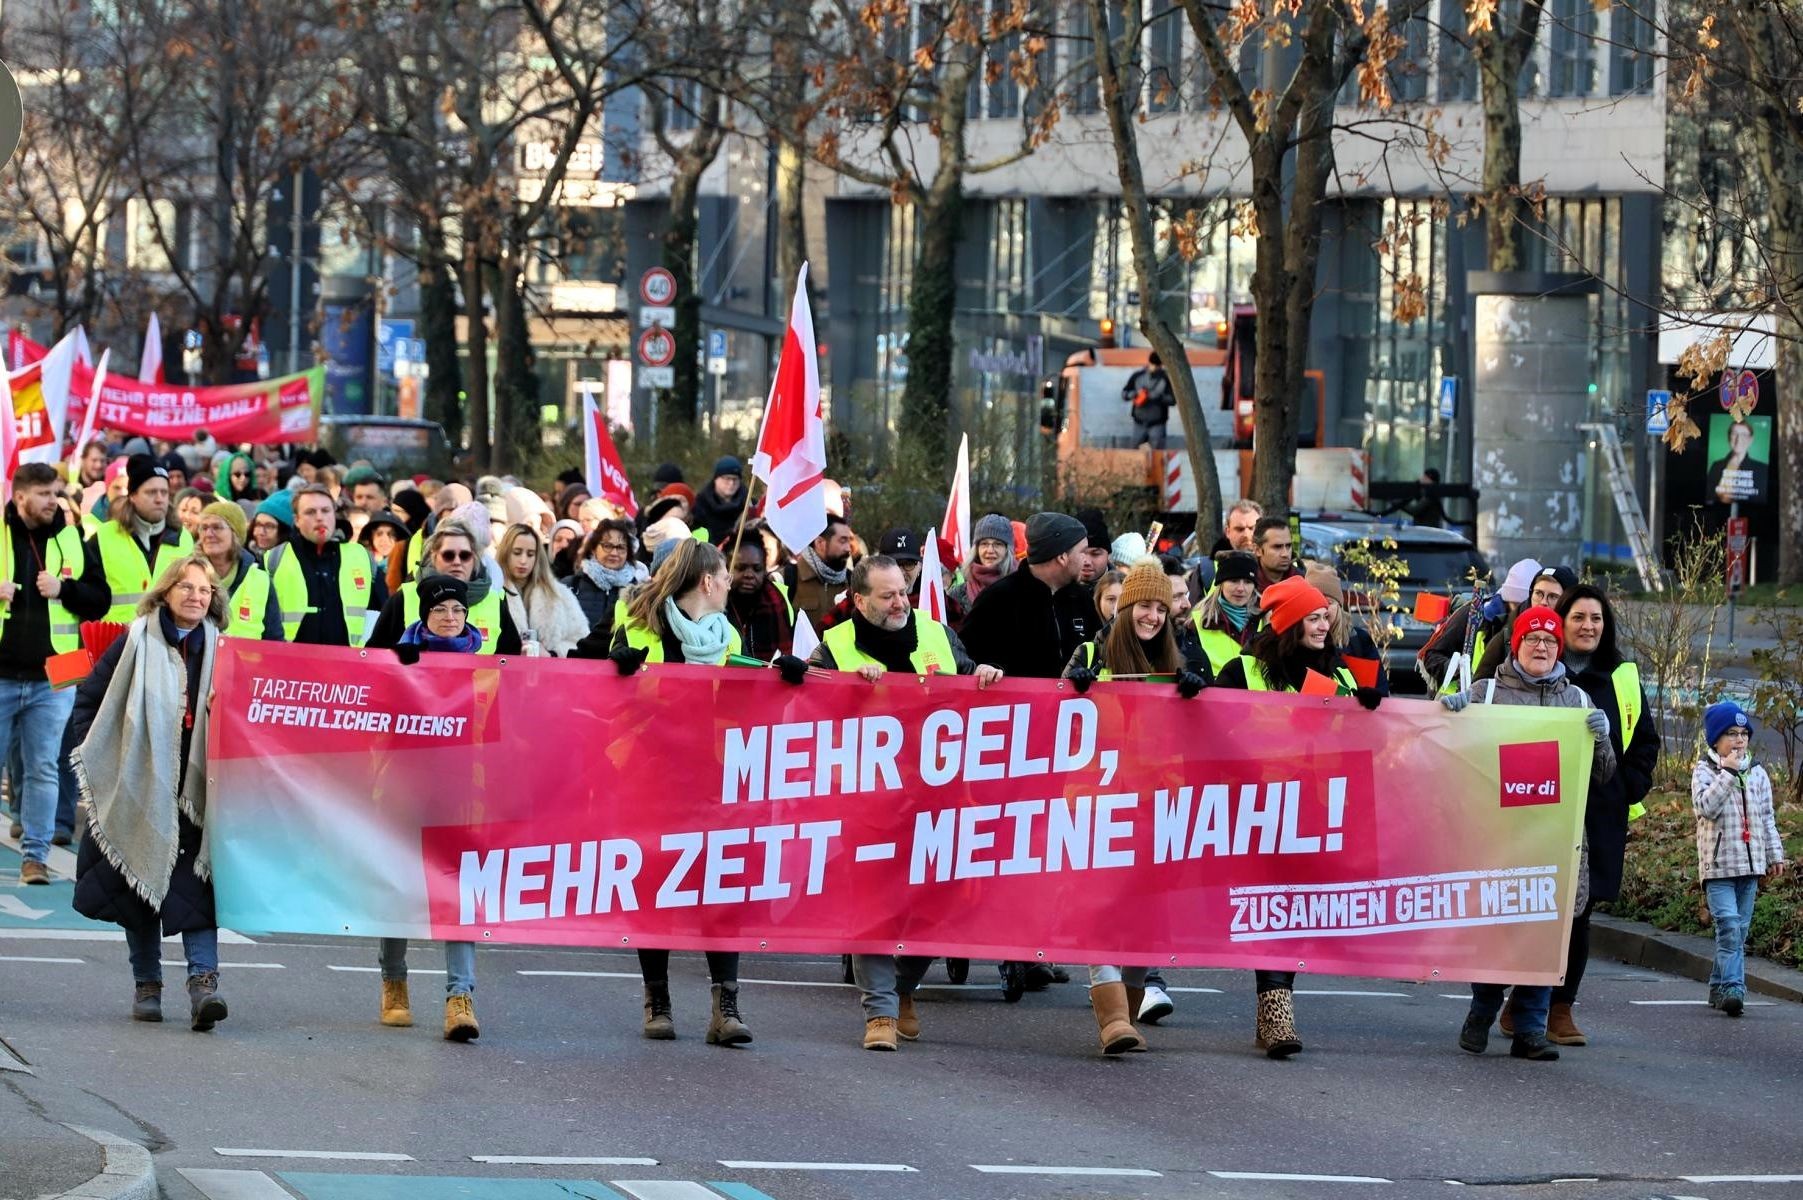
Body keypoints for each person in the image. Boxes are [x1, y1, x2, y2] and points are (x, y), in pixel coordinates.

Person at [805, 555, 1001, 1050]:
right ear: (859, 600)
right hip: (866, 799)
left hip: (936, 794)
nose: (900, 603)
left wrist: (986, 676)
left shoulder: (936, 633)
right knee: (874, 905)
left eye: (904, 591)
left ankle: (903, 987)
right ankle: (880, 1016)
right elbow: (803, 711)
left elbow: (968, 674)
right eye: (888, 595)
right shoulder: (834, 647)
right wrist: (845, 691)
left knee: (938, 903)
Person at [1213, 575, 1382, 1058]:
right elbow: (1209, 733)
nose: (1324, 623)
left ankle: (1275, 1010)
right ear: (1288, 624)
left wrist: (1372, 708)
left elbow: (1365, 744)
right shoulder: (1242, 671)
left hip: (1314, 813)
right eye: (1312, 616)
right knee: (1270, 905)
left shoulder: (1344, 675)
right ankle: (1275, 1010)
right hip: (1256, 811)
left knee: (1289, 907)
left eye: (1324, 615)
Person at [1443, 607, 1614, 1060]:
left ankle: (1531, 1029)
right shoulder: (1488, 692)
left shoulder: (1576, 701)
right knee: (1498, 932)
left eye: (1550, 641)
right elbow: (1442, 754)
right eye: (1533, 639)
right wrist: (1451, 712)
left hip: (1555, 844)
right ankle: (1483, 1006)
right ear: (1515, 644)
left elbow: (1602, 776)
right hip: (1498, 841)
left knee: (1546, 937)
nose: (1542, 647)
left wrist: (1602, 737)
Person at [68, 554, 230, 1031]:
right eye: (187, 587)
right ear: (165, 592)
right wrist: (110, 764)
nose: (196, 596)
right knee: (137, 880)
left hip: (199, 784)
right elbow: (92, 702)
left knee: (200, 885)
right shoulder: (135, 642)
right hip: (140, 777)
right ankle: (147, 985)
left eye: (205, 590)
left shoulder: (224, 649)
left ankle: (205, 985)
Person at [607, 539, 756, 1045]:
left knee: (722, 884)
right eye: (725, 574)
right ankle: (658, 1000)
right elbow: (605, 698)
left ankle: (726, 1007)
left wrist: (784, 680)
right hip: (653, 776)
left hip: (715, 777)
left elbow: (747, 701)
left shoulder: (729, 634)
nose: (732, 581)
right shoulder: (638, 627)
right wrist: (617, 671)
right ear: (707, 581)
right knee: (656, 883)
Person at [1061, 560, 1206, 1053]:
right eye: (1144, 606)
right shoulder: (1090, 655)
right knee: (1099, 909)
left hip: (1156, 808)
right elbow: (1053, 727)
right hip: (1097, 806)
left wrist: (1194, 696)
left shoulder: (1177, 662)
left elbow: (1200, 739)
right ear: (1125, 609)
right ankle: (1113, 1019)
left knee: (1146, 914)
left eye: (1161, 609)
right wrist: (1072, 690)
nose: (1153, 617)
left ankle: (1129, 1008)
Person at [373, 573, 486, 1041]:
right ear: (424, 614)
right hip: (404, 789)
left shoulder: (487, 665)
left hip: (462, 795)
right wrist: (393, 672)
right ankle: (394, 982)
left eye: (457, 610)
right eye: (440, 610)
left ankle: (460, 997)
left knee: (459, 894)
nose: (449, 618)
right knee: (398, 888)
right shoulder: (395, 659)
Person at [0, 464, 112, 879]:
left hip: (56, 672)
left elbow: (99, 600)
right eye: (45, 493)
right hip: (2, 672)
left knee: (45, 764)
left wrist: (64, 589)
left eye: (57, 492)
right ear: (21, 496)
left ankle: (35, 855)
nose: (54, 501)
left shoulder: (73, 537)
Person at [1692, 701, 1786, 1017]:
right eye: (1731, 733)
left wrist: (1774, 854)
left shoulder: (1758, 773)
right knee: (1729, 925)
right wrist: (1728, 773)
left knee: (1739, 929)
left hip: (1751, 866)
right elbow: (1706, 807)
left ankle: (1718, 986)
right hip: (1718, 867)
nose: (1739, 740)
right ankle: (1735, 987)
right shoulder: (1705, 771)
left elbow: (1766, 816)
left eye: (1743, 733)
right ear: (1716, 739)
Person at [959, 512, 1098, 682]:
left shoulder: (1082, 599)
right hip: (1014, 706)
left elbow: (1101, 654)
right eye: (1083, 552)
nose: (1087, 560)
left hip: (1075, 708)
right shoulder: (997, 599)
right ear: (1062, 557)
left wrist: (1087, 675)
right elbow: (964, 661)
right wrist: (990, 670)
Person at [367, 519, 522, 655]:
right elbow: (375, 656)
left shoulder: (494, 601)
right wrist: (397, 654)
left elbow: (510, 662)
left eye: (465, 556)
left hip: (475, 689)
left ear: (475, 559)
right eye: (448, 555)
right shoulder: (405, 597)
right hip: (416, 688)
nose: (457, 562)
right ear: (434, 557)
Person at [263, 485, 385, 646]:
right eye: (310, 512)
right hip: (291, 664)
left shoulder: (361, 557)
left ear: (334, 515)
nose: (319, 517)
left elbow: (383, 616)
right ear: (297, 520)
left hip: (348, 665)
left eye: (326, 511)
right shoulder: (274, 559)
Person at [608, 539, 744, 670]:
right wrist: (616, 670)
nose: (729, 587)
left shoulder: (732, 637)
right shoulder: (634, 631)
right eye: (726, 579)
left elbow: (747, 691)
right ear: (707, 582)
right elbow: (608, 689)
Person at [94, 454, 193, 624]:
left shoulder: (183, 538)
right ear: (132, 496)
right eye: (151, 492)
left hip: (168, 641)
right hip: (117, 641)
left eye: (164, 492)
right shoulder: (104, 536)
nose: (159, 498)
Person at [1421, 556, 1539, 696]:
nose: (1519, 611)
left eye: (1525, 606)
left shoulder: (1539, 626)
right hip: (1459, 705)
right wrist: (1457, 670)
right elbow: (1432, 655)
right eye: (1515, 605)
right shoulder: (1474, 614)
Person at [496, 523, 589, 656]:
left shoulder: (559, 594)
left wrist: (552, 654)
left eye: (530, 554)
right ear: (505, 553)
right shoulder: (492, 593)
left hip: (550, 673)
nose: (523, 560)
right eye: (517, 553)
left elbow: (582, 641)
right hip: (504, 672)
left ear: (537, 557)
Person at [195, 501, 281, 640]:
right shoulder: (187, 574)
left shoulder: (260, 581)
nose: (209, 534)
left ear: (236, 534)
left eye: (217, 527)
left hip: (247, 661)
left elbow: (274, 641)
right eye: (204, 528)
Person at [1471, 565, 1573, 682]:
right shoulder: (1508, 633)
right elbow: (1478, 688)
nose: (1544, 602)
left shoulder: (1576, 635)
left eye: (1553, 597)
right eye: (1538, 594)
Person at [1306, 562, 1388, 695]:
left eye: (1328, 602)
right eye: (1315, 601)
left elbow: (1381, 694)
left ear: (1339, 606)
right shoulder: (1295, 641)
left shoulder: (1359, 641)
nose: (1322, 608)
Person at [566, 520, 642, 657]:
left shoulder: (638, 593)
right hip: (576, 665)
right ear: (594, 548)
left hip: (619, 669)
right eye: (607, 546)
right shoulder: (571, 586)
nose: (614, 552)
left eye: (620, 547)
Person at [725, 534, 795, 659]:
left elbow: (787, 651)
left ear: (765, 570)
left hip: (767, 676)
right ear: (726, 568)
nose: (749, 575)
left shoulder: (776, 599)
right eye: (741, 568)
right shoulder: (714, 599)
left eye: (757, 569)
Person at [782, 512, 855, 631]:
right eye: (842, 541)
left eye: (849, 541)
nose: (848, 548)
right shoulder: (787, 578)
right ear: (820, 543)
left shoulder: (853, 580)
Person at [1190, 551, 1258, 674]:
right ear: (1220, 584)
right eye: (1234, 580)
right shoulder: (1197, 622)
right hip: (1215, 692)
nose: (1241, 588)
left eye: (1248, 582)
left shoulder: (1267, 618)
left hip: (1258, 693)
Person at [948, 513, 1015, 612]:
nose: (990, 550)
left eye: (997, 544)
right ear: (976, 549)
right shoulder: (957, 595)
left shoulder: (1023, 590)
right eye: (984, 544)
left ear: (1007, 549)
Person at [1707, 420, 1770, 504]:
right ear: (1729, 437)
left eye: (1744, 435)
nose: (1738, 439)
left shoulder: (1763, 469)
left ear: (1750, 440)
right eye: (1734, 434)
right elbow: (1708, 498)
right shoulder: (1716, 466)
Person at [1120, 351, 1173, 450]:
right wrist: (1135, 394)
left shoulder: (1166, 379)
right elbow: (1124, 394)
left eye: (1157, 366)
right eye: (1154, 365)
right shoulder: (1137, 376)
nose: (1155, 368)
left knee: (1158, 455)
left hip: (1157, 424)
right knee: (1134, 452)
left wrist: (1159, 398)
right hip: (1139, 423)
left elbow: (1173, 400)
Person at [690, 457, 747, 542]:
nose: (731, 483)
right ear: (716, 479)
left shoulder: (748, 505)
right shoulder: (699, 506)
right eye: (727, 478)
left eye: (735, 479)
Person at [1250, 516, 1300, 591]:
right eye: (1277, 547)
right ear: (1257, 550)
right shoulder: (1244, 586)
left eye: (1288, 546)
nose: (1285, 554)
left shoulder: (1304, 582)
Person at [1073, 509, 1113, 586]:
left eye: (1095, 554)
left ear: (1108, 555)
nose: (1087, 562)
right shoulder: (1051, 589)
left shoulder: (1125, 591)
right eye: (1081, 553)